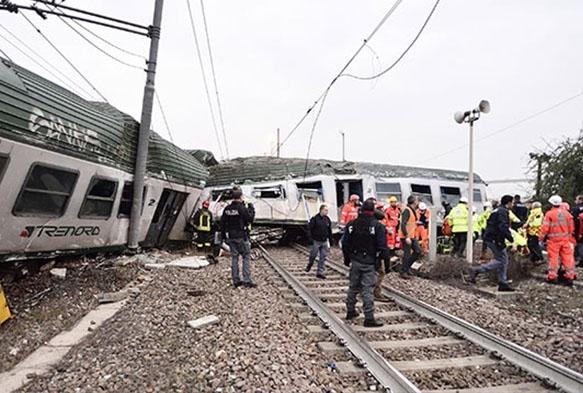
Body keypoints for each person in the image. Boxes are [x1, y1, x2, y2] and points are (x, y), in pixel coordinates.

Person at [342, 198, 391, 327]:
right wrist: (386, 264)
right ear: (373, 210)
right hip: (369, 261)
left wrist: (347, 259)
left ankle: (350, 310)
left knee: (353, 287)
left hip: (355, 259)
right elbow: (383, 247)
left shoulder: (352, 224)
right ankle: (369, 318)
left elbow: (345, 244)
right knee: (368, 290)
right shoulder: (377, 226)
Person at [469, 195, 516, 292]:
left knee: (504, 260)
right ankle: (478, 270)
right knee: (502, 260)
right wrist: (512, 241)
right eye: (513, 202)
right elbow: (503, 227)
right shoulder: (503, 212)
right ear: (509, 203)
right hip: (495, 238)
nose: (513, 204)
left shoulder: (496, 210)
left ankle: (502, 282)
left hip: (491, 237)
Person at [220, 186, 256, 288]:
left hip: (231, 236)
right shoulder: (241, 208)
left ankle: (236, 280)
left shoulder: (227, 209)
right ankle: (247, 280)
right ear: (240, 196)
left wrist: (224, 236)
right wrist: (251, 209)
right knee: (246, 256)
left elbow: (222, 223)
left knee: (234, 258)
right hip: (241, 235)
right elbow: (249, 219)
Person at [540, 195, 576, 286]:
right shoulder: (567, 214)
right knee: (568, 258)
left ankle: (552, 276)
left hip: (554, 241)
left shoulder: (549, 214)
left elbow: (545, 228)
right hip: (565, 240)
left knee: (554, 259)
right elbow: (571, 228)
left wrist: (541, 239)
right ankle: (570, 276)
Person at [305, 204, 333, 279]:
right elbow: (309, 229)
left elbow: (329, 230)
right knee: (313, 255)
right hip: (316, 241)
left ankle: (320, 272)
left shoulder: (327, 219)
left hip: (324, 241)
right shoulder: (315, 219)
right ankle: (310, 264)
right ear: (321, 210)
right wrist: (310, 238)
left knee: (323, 257)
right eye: (326, 210)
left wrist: (331, 239)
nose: (327, 212)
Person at [398, 195, 421, 279]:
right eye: (417, 201)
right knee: (407, 254)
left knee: (417, 251)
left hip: (412, 235)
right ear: (414, 202)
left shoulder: (412, 210)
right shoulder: (407, 210)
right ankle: (403, 271)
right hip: (406, 236)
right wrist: (406, 236)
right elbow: (403, 224)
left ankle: (407, 267)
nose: (418, 203)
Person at [571, 194, 583, 267]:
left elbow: (573, 219)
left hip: (579, 229)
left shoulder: (576, 208)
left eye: (577, 199)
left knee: (580, 244)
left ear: (580, 200)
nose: (575, 201)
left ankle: (580, 259)